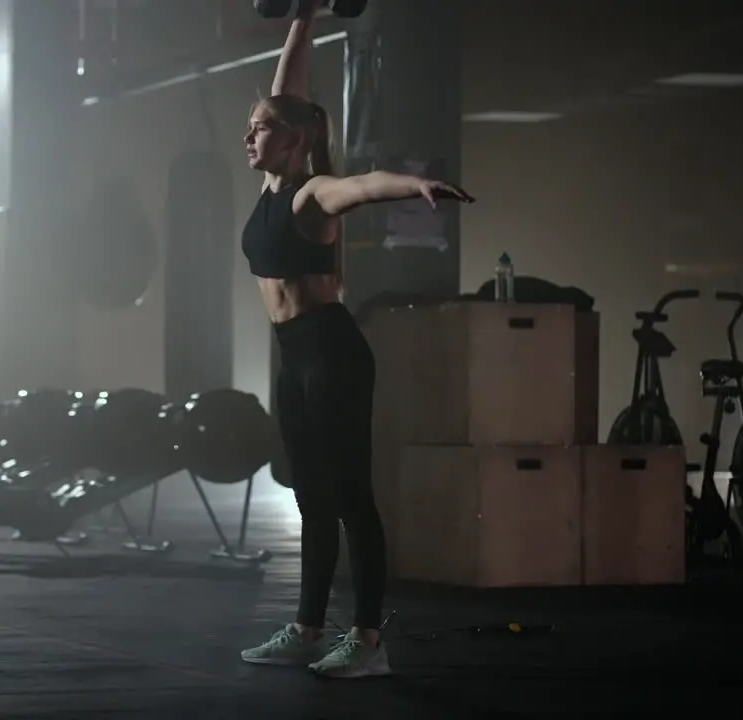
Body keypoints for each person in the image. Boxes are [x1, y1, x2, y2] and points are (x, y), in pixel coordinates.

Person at [237, 0, 474, 679]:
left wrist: (414, 183)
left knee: (350, 497)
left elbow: (367, 185)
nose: (247, 137)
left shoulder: (315, 195)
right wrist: (304, 18)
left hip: (333, 353)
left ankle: (369, 641)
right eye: (251, 128)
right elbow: (289, 91)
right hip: (292, 359)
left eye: (258, 130)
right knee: (309, 496)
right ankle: (311, 627)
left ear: (292, 140)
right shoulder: (270, 185)